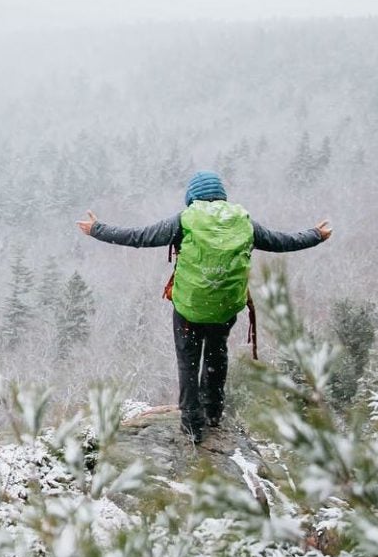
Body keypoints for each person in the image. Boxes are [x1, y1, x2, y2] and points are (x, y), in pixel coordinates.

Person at [76, 171, 332, 444]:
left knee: (188, 361)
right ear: (222, 196)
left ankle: (192, 423)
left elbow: (139, 237)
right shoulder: (243, 221)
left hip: (189, 309)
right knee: (216, 354)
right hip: (225, 307)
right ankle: (213, 412)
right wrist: (316, 234)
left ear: (192, 198)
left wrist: (97, 229)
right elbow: (283, 241)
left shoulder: (185, 220)